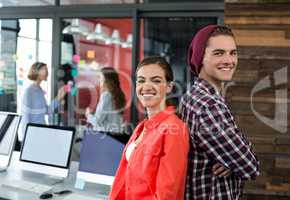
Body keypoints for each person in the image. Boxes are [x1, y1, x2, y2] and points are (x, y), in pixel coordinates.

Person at [180, 25, 260, 200]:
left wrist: (233, 159)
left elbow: (241, 159)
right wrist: (240, 155)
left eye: (233, 53)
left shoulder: (193, 96)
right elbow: (250, 167)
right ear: (200, 58)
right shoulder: (208, 105)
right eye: (219, 53)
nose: (229, 60)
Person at [110, 56, 189, 200]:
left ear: (169, 87)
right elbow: (124, 181)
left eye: (156, 80)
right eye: (141, 80)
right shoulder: (141, 127)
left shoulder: (174, 129)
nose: (146, 86)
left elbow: (166, 195)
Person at [19, 62, 66, 142]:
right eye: (45, 70)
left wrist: (58, 97)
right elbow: (25, 117)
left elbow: (47, 111)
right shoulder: (29, 91)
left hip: (41, 133)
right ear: (37, 71)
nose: (47, 72)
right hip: (32, 136)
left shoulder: (39, 90)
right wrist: (27, 138)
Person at [85, 67, 126, 133]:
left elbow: (98, 122)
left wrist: (88, 115)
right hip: (117, 137)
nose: (99, 80)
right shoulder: (119, 95)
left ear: (107, 80)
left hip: (106, 137)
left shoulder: (106, 96)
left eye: (101, 78)